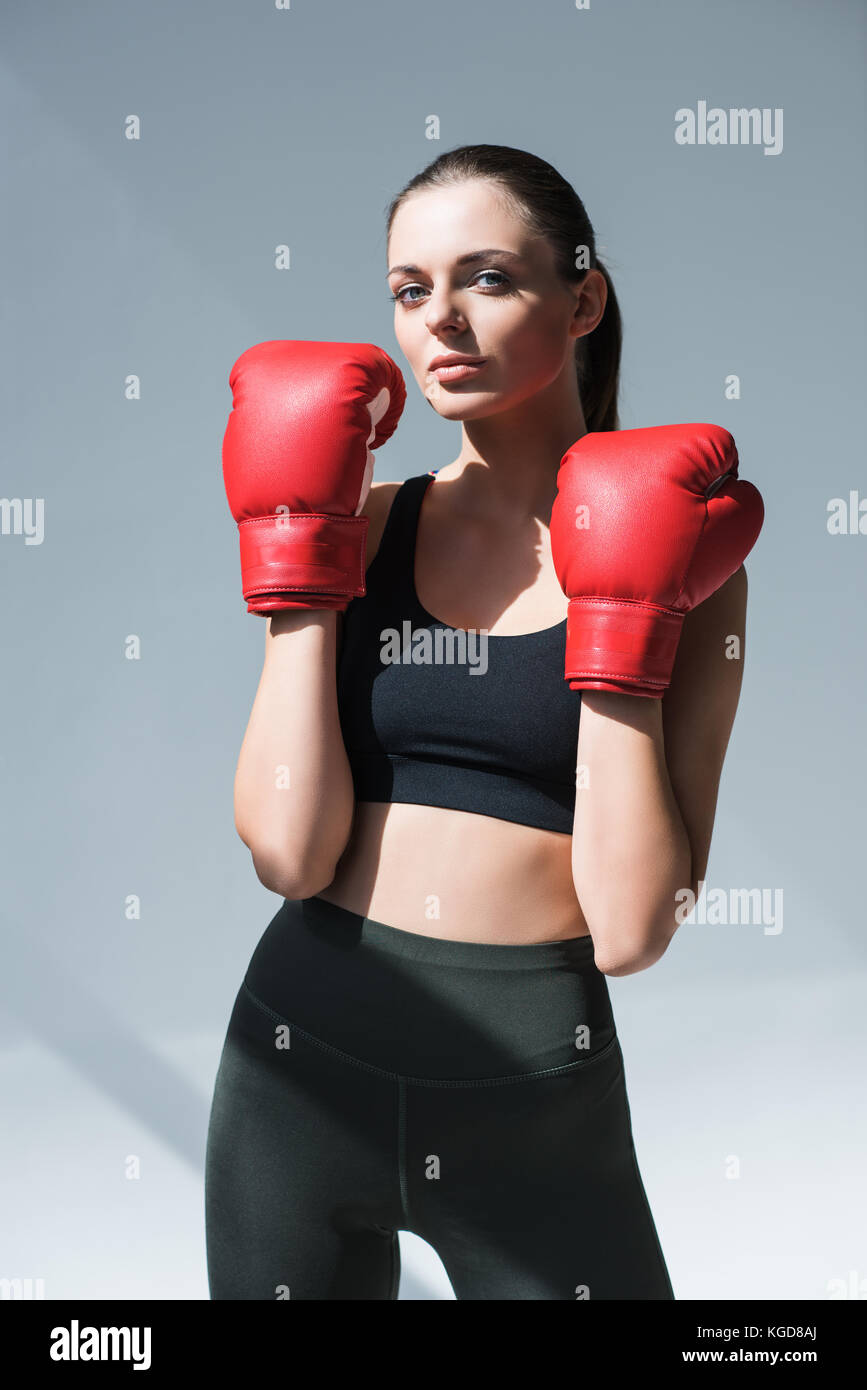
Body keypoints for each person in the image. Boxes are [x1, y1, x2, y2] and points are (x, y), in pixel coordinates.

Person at [204, 144, 763, 1301]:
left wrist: (617, 626)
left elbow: (630, 928)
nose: (442, 319)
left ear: (584, 296)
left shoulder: (692, 556)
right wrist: (303, 572)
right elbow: (286, 852)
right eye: (411, 290)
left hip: (532, 1093)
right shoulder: (360, 518)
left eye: (490, 277)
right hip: (299, 1059)